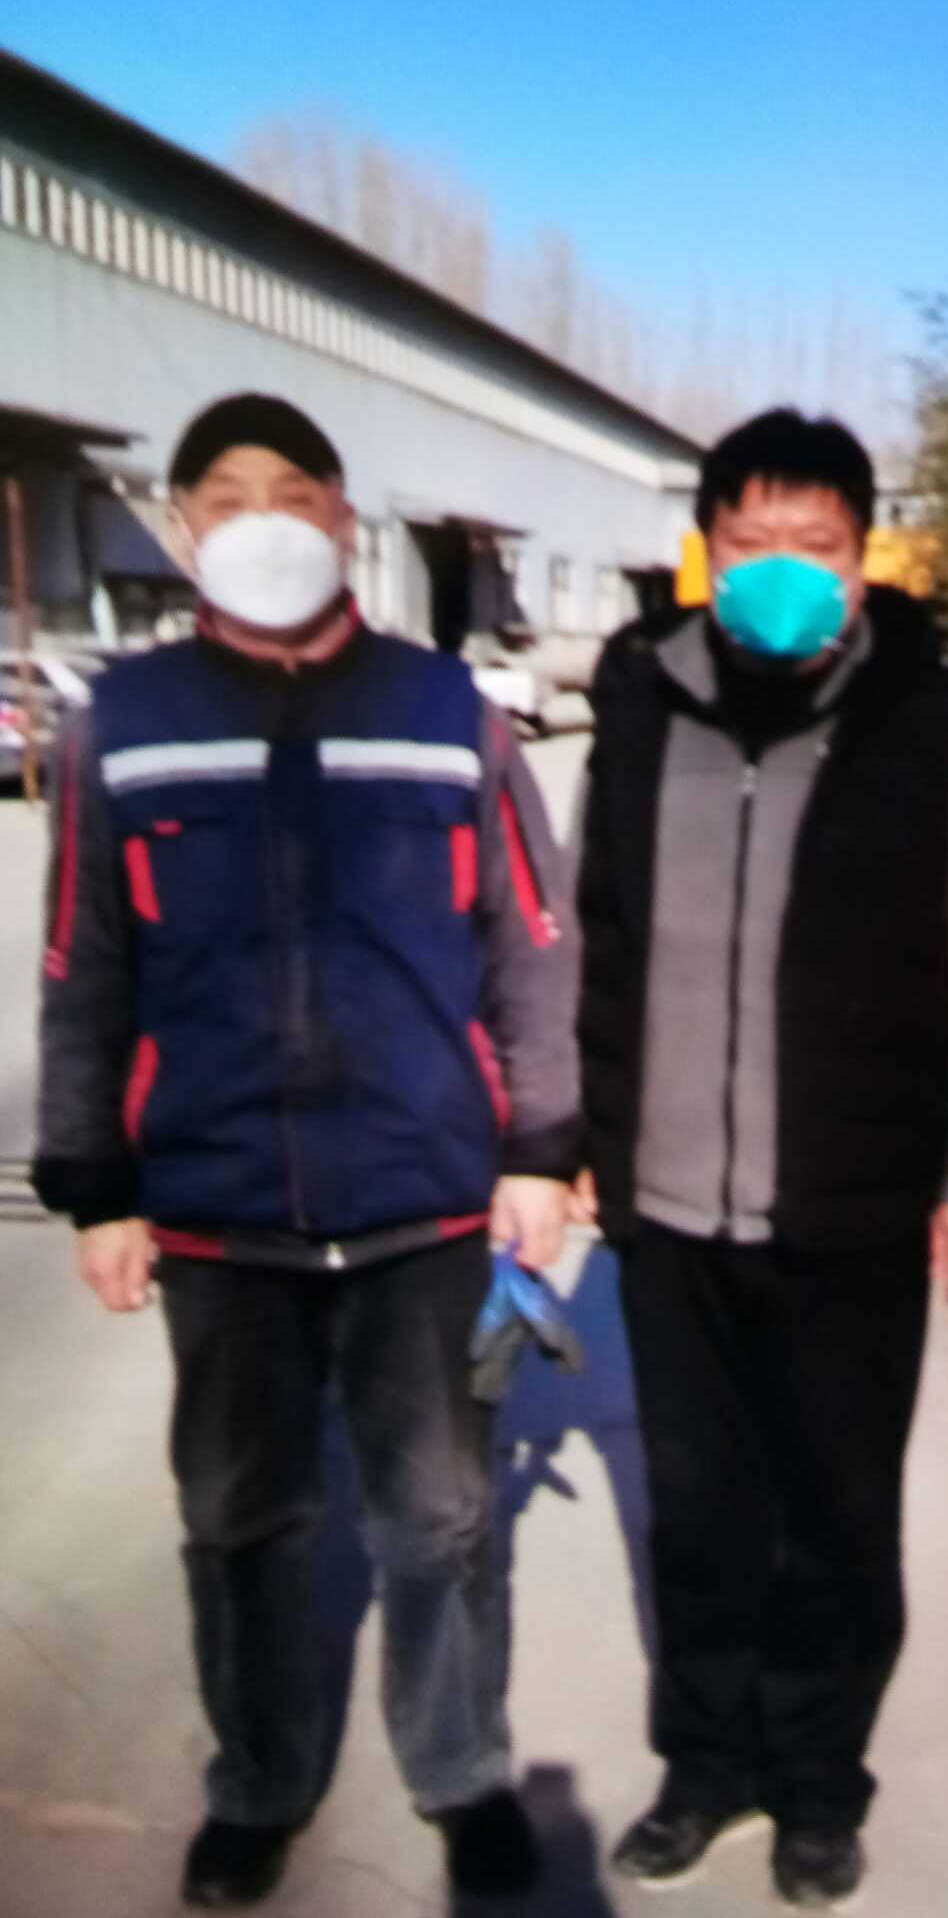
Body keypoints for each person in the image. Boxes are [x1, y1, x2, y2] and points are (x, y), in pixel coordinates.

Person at [31, 393, 579, 1910]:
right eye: (228, 496)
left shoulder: (446, 709)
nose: (262, 521)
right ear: (183, 524)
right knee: (239, 1520)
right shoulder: (122, 722)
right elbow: (82, 963)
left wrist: (540, 1146)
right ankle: (260, 1785)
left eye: (295, 493)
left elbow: (529, 938)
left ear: (343, 518)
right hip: (215, 1211)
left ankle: (459, 1773)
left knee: (440, 1517)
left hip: (427, 1202)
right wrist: (94, 1186)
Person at [573, 406, 948, 1908]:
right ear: (706, 551)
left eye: (817, 543)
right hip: (669, 1215)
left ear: (862, 560)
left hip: (851, 1210)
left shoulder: (929, 723)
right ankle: (707, 1767)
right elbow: (596, 939)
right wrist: (580, 1138)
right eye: (754, 539)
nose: (784, 567)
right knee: (702, 1517)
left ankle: (820, 1784)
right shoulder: (643, 703)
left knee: (837, 1521)